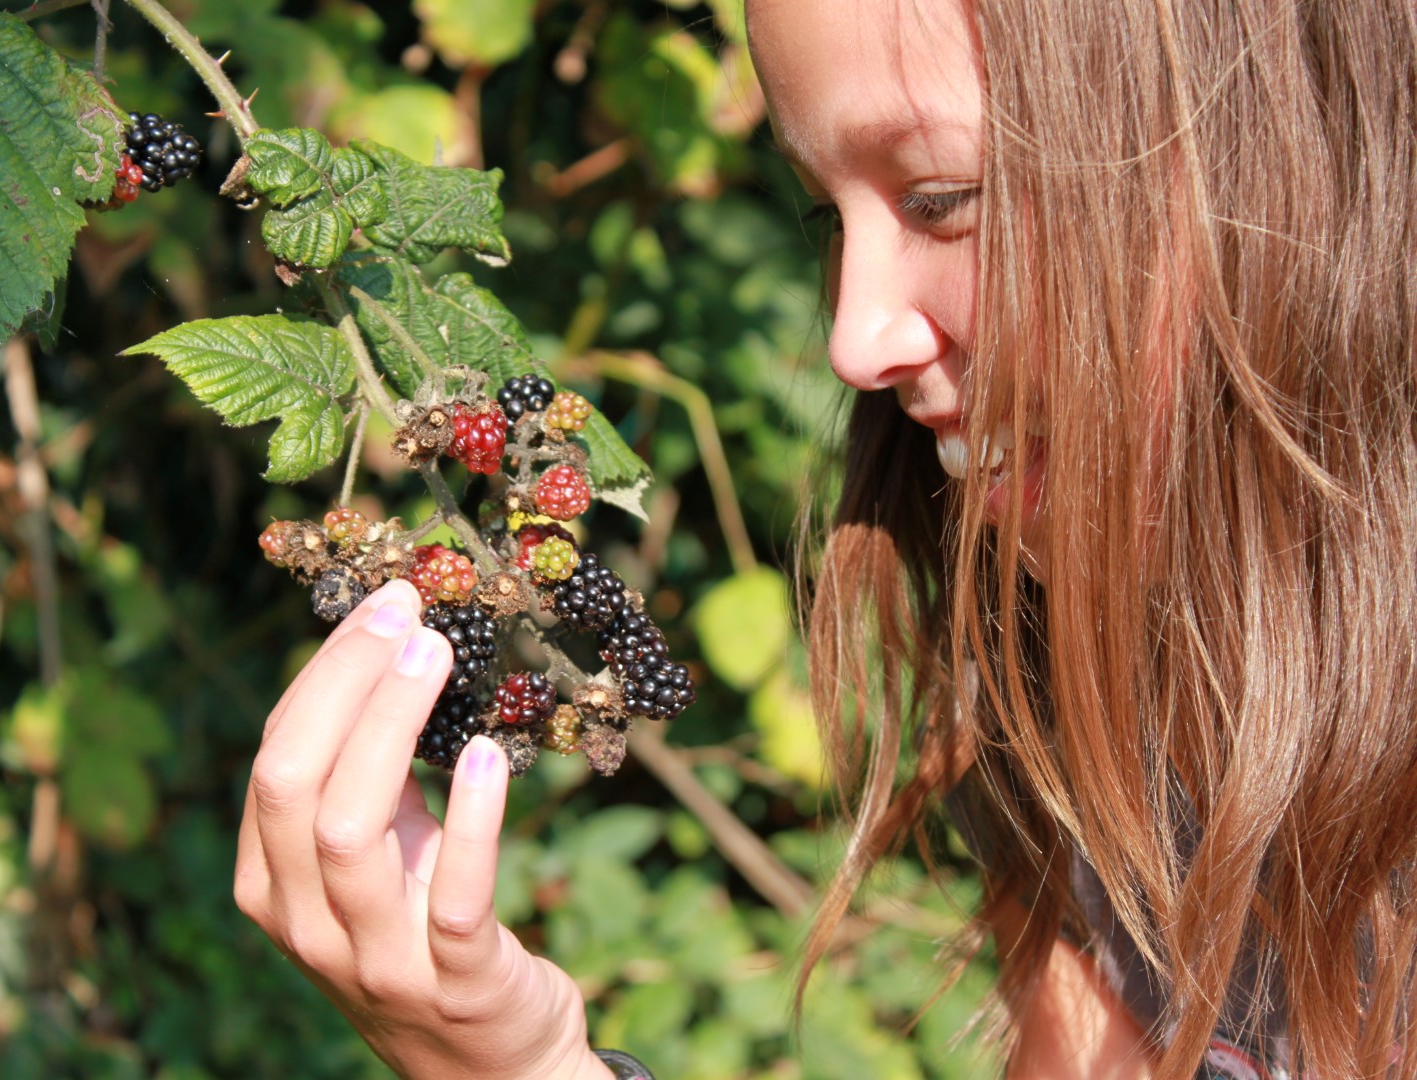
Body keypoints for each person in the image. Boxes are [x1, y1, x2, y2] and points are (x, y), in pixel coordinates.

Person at [232, 0, 1417, 1076]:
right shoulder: (1086, 715)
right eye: (826, 215)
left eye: (942, 199)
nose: (855, 340)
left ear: (1276, 163)